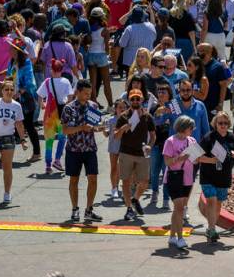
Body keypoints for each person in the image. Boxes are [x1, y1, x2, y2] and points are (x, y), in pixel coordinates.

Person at [198, 112, 234, 243]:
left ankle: (211, 228)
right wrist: (212, 160)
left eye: (225, 123)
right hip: (207, 175)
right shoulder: (208, 138)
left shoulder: (233, 138)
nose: (223, 126)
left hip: (224, 176)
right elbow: (196, 157)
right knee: (212, 200)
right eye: (220, 123)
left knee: (218, 203)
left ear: (229, 124)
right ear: (215, 124)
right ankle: (212, 228)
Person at [60, 80, 104, 223]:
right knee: (74, 179)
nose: (87, 96)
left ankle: (89, 209)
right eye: (85, 93)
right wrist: (81, 128)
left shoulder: (94, 106)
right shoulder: (68, 108)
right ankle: (75, 209)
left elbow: (96, 126)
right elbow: (65, 130)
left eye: (89, 93)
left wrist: (100, 129)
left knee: (93, 178)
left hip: (90, 148)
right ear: (77, 92)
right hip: (74, 149)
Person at [114, 89, 155, 221]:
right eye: (133, 99)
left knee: (144, 181)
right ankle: (129, 209)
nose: (135, 101)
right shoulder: (123, 117)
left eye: (138, 99)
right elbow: (115, 136)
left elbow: (153, 136)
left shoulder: (147, 117)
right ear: (129, 101)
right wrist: (123, 129)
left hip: (142, 153)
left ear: (142, 100)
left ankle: (135, 199)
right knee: (126, 182)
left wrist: (150, 145)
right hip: (126, 153)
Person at [163, 116, 198, 249]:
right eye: (191, 128)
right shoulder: (170, 141)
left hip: (187, 178)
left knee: (178, 209)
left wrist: (194, 158)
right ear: (184, 128)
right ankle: (180, 238)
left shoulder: (192, 140)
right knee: (179, 208)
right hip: (174, 177)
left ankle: (172, 237)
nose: (193, 130)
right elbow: (167, 162)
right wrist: (180, 158)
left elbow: (196, 160)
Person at [0, 81, 27, 204]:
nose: (9, 92)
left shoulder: (17, 106)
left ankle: (7, 193)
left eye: (12, 90)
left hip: (8, 138)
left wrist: (23, 140)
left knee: (7, 167)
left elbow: (19, 124)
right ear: (2, 91)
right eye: (7, 89)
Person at [38, 60, 71, 175]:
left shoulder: (47, 81)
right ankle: (57, 159)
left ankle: (48, 165)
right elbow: (70, 96)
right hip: (62, 114)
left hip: (49, 115)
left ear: (51, 70)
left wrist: (42, 104)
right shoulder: (66, 81)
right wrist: (67, 105)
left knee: (49, 141)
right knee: (62, 138)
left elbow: (39, 95)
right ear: (62, 70)